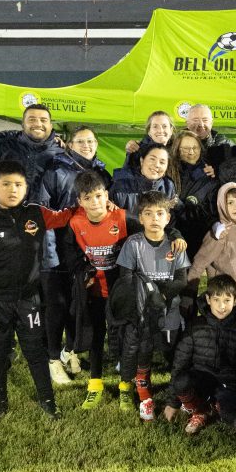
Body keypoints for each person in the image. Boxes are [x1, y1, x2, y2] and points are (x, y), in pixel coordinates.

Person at [61, 172, 185, 409]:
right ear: (80, 201)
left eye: (99, 196)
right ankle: (94, 384)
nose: (95, 202)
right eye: (89, 198)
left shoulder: (122, 217)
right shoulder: (75, 223)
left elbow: (154, 226)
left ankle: (125, 385)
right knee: (97, 336)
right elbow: (70, 254)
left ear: (106, 195)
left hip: (124, 291)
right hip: (94, 291)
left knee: (125, 339)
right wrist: (82, 270)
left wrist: (176, 234)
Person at [0, 160, 75, 421]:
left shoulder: (37, 213)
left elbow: (65, 217)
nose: (12, 190)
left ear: (26, 188)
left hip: (28, 301)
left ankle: (48, 400)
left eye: (18, 185)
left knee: (35, 351)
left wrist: (93, 204)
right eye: (6, 184)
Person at [39, 125, 113, 385]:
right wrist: (50, 255)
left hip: (83, 254)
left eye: (91, 140)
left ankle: (70, 350)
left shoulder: (101, 172)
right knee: (56, 307)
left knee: (76, 305)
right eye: (80, 141)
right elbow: (44, 213)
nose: (87, 145)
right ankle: (52, 359)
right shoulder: (56, 170)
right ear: (69, 144)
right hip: (58, 252)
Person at [113, 191, 191, 421]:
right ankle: (144, 391)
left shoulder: (176, 244)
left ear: (168, 218)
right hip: (143, 309)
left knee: (171, 348)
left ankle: (179, 393)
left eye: (160, 213)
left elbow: (182, 280)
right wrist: (147, 295)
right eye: (148, 214)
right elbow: (126, 277)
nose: (154, 218)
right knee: (143, 349)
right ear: (141, 218)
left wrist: (162, 295)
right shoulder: (133, 244)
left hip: (168, 306)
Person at [167, 274, 236, 434]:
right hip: (200, 380)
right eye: (216, 300)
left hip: (227, 384)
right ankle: (199, 410)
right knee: (181, 382)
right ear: (208, 299)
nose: (221, 306)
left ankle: (217, 406)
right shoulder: (195, 326)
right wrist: (172, 403)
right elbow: (179, 364)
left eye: (227, 300)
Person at [186, 183, 236, 296]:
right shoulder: (219, 233)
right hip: (223, 293)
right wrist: (189, 295)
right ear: (221, 204)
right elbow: (199, 263)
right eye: (230, 203)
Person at [170, 130, 218, 260]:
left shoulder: (209, 177)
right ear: (177, 150)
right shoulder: (168, 172)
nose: (191, 152)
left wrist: (180, 206)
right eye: (185, 148)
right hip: (168, 235)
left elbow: (208, 212)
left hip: (195, 238)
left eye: (195, 148)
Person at [109, 143, 176, 214]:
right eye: (152, 159)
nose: (157, 165)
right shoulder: (121, 185)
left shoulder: (168, 186)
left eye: (162, 162)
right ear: (142, 161)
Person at [184, 103, 235, 170]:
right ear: (187, 123)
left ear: (211, 123)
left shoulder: (225, 144)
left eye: (205, 120)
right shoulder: (175, 145)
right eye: (195, 120)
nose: (201, 124)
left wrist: (217, 171)